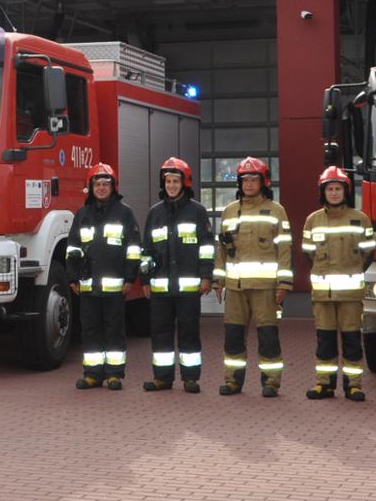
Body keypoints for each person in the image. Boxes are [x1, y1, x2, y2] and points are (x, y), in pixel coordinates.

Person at [215, 157, 293, 397]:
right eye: (245, 180)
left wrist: (284, 283)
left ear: (263, 182)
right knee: (233, 336)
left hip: (265, 288)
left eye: (253, 180)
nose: (248, 184)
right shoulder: (229, 211)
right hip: (235, 288)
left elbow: (285, 249)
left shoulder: (276, 211)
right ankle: (232, 381)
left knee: (268, 336)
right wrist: (218, 281)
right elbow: (221, 249)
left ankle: (271, 382)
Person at [140, 157, 214, 393]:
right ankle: (162, 378)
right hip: (160, 288)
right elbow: (146, 250)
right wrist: (145, 280)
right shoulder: (154, 213)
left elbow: (206, 247)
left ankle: (190, 378)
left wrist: (206, 277)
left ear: (185, 183)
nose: (171, 185)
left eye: (175, 181)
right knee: (160, 333)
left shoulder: (197, 212)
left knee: (189, 332)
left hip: (189, 288)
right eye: (168, 181)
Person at [302, 166, 375, 402]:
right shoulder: (312, 221)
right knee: (325, 340)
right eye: (330, 189)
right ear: (323, 192)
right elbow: (308, 254)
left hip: (351, 296)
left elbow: (368, 254)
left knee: (352, 340)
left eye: (338, 189)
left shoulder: (360, 219)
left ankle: (353, 386)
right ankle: (324, 384)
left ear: (346, 191)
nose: (334, 193)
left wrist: (353, 271)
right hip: (323, 295)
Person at [67, 163, 137, 391]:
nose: (101, 188)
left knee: (114, 329)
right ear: (90, 187)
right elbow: (72, 248)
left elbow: (133, 248)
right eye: (97, 184)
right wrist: (72, 278)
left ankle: (114, 374)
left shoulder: (125, 213)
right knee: (90, 330)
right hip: (88, 286)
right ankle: (92, 374)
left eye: (105, 184)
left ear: (113, 187)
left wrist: (130, 278)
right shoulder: (82, 214)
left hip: (115, 288)